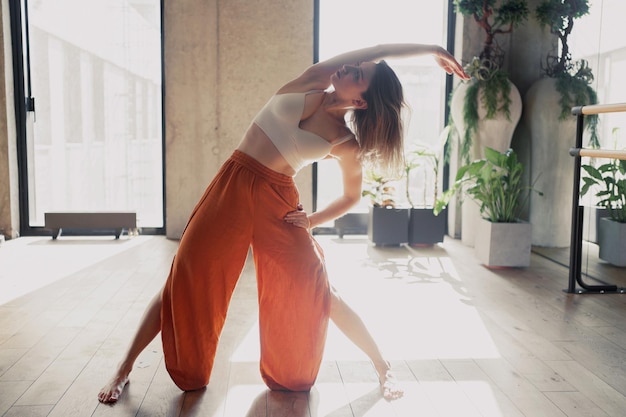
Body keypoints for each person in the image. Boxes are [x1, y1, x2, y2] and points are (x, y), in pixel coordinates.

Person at [98, 43, 469, 404]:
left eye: (359, 74)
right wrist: (429, 47)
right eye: (357, 64)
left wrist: (311, 220)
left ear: (360, 102)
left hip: (278, 201)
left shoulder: (344, 141)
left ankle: (383, 366)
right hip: (233, 182)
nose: (350, 66)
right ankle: (124, 367)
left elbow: (351, 197)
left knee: (318, 287)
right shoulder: (314, 79)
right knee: (184, 277)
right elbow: (374, 50)